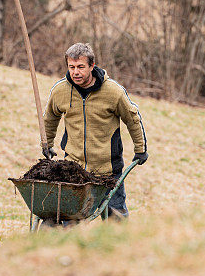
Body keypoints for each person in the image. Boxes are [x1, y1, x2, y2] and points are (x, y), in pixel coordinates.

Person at [43, 42, 148, 219]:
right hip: (73, 170)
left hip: (108, 170)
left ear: (92, 66)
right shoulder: (60, 91)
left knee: (116, 219)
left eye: (81, 67)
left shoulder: (113, 92)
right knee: (69, 219)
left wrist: (140, 149)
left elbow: (132, 118)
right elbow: (50, 117)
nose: (75, 72)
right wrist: (47, 143)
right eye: (71, 67)